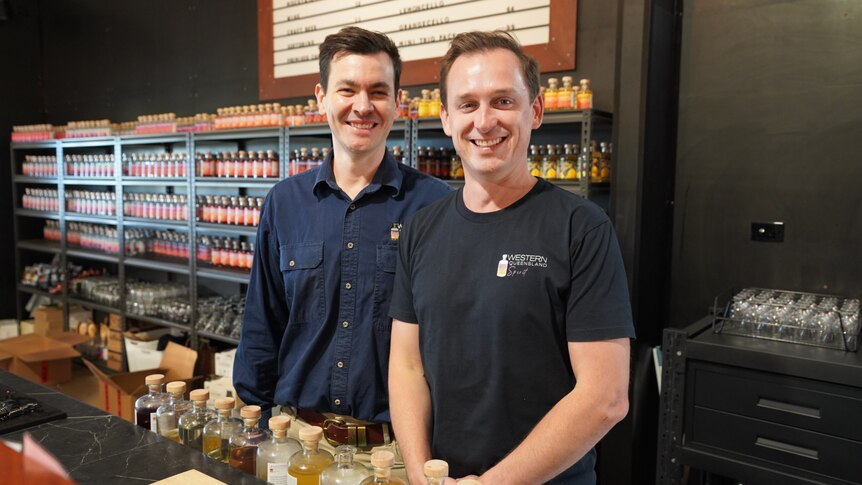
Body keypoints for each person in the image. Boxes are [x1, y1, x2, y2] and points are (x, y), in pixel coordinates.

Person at [388, 31, 635, 484]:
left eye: (503, 101)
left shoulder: (581, 227)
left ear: (535, 110)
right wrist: (423, 473)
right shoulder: (420, 229)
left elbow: (605, 397)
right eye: (467, 104)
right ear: (445, 118)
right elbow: (406, 366)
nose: (484, 122)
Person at [234, 26, 451, 460]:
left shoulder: (436, 205)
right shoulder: (284, 203)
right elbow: (263, 325)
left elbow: (452, 340)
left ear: (397, 100)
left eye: (378, 91)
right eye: (347, 90)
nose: (363, 107)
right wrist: (252, 432)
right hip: (295, 439)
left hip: (396, 451)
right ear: (321, 96)